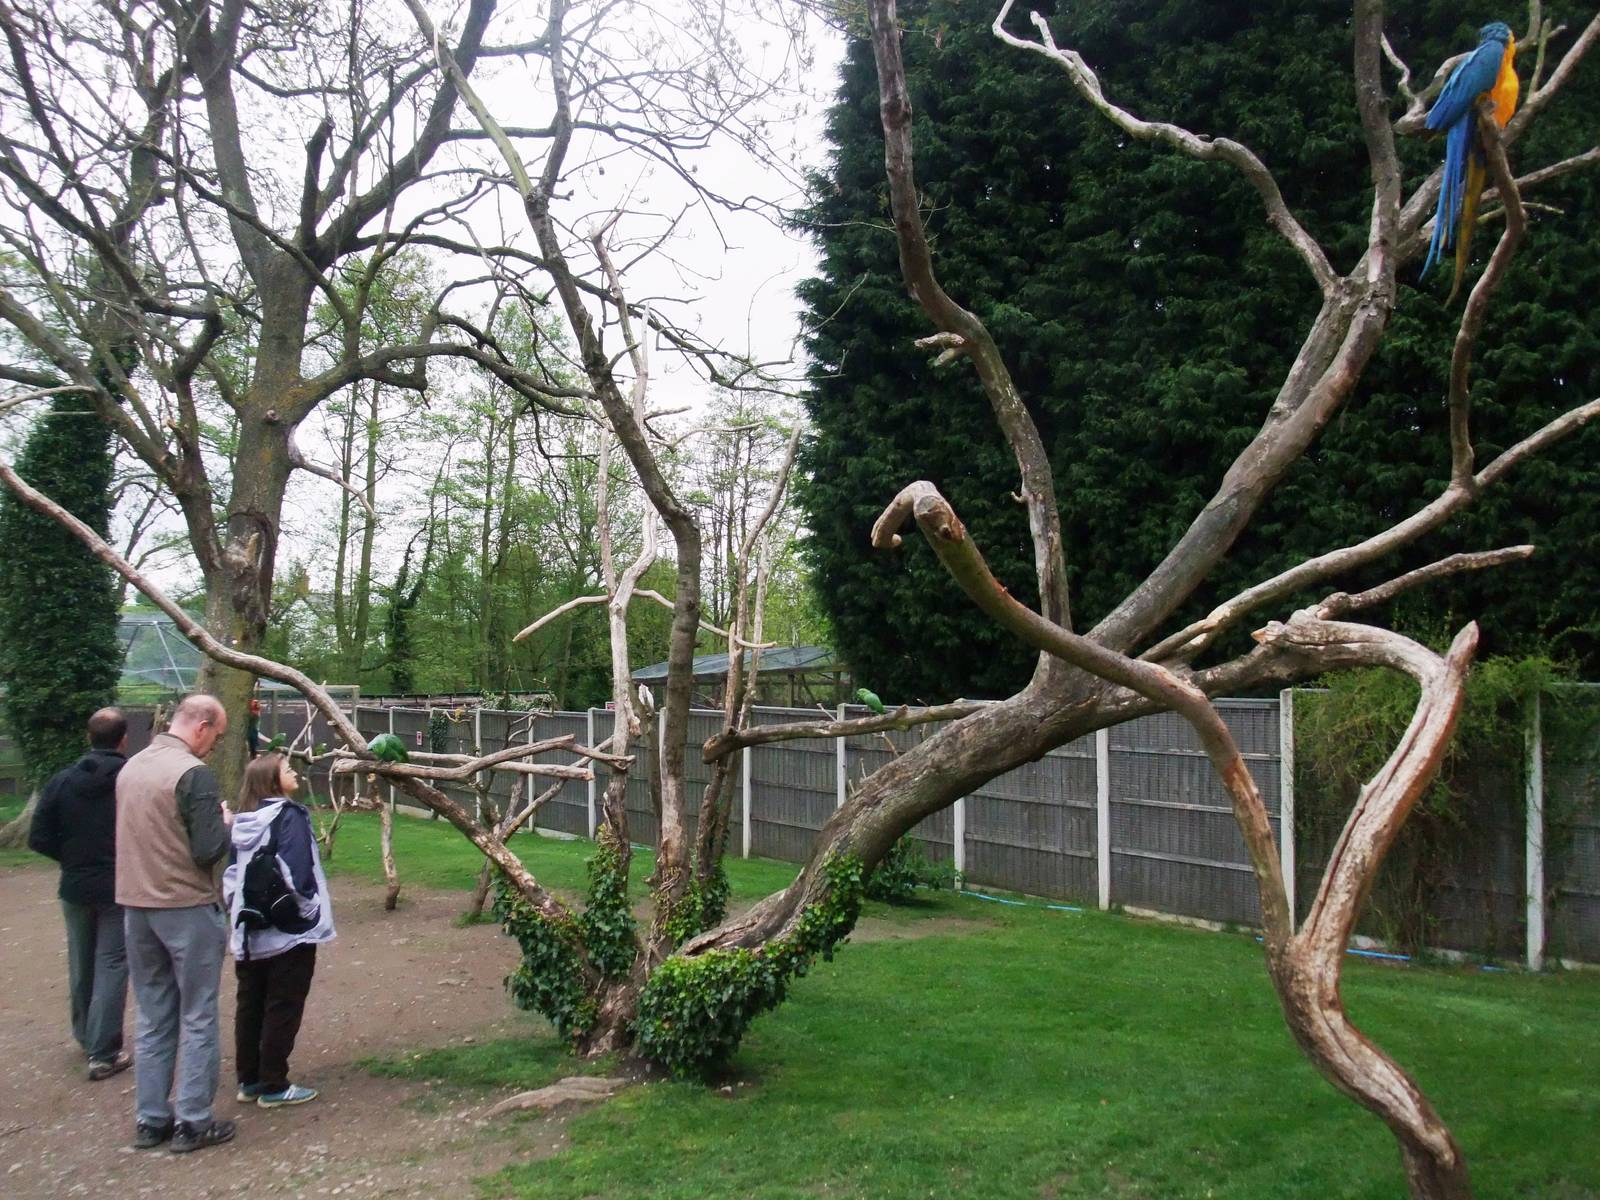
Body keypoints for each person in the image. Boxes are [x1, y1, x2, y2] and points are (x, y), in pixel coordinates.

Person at [115, 693, 235, 1153]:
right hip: (184, 906)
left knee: (152, 1013)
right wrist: (224, 822)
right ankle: (193, 1121)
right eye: (217, 737)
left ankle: (151, 1120)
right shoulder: (192, 773)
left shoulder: (134, 766)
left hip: (135, 906)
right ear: (202, 726)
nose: (214, 746)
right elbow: (208, 849)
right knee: (199, 1013)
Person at [223, 751, 334, 1108]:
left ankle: (250, 1079)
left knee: (250, 1003)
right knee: (283, 1003)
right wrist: (308, 912)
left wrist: (240, 907)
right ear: (272, 781)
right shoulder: (290, 816)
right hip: (288, 930)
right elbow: (298, 872)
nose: (294, 772)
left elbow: (231, 876)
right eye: (287, 769)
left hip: (250, 929)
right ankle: (274, 1083)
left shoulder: (242, 822)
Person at [28, 707, 133, 1080]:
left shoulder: (62, 781)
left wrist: (70, 858)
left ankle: (88, 1037)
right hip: (117, 885)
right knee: (113, 963)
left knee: (81, 960)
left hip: (75, 884)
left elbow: (38, 836)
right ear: (123, 739)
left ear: (89, 737)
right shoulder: (131, 780)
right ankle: (103, 1050)